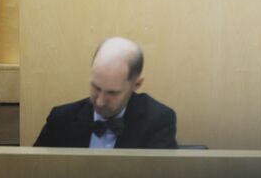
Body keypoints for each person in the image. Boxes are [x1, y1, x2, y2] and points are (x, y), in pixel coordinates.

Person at [34, 37, 178, 149]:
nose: (100, 102)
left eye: (112, 93)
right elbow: (33, 170)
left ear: (136, 84)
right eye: (96, 88)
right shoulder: (60, 120)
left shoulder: (158, 121)